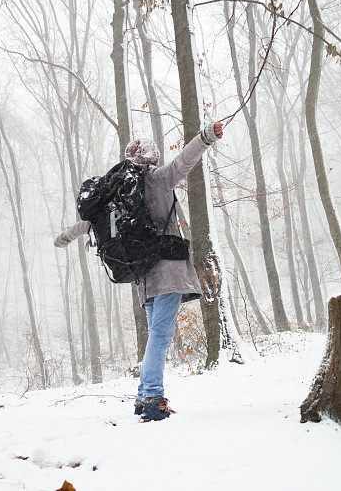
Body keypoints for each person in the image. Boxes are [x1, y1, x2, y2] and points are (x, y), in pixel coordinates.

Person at [54, 121, 224, 421]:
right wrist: (205, 137)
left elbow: (90, 224)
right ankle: (151, 396)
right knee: (161, 335)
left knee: (155, 335)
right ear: (152, 159)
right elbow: (184, 160)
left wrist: (67, 236)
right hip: (168, 270)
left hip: (141, 274)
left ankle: (145, 393)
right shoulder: (157, 179)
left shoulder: (117, 194)